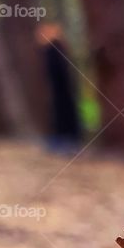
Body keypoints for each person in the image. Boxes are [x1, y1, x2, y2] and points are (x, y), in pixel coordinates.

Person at [35, 22, 82, 153]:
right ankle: (63, 140)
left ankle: (66, 141)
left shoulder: (54, 49)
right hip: (59, 92)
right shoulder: (53, 49)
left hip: (61, 92)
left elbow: (58, 72)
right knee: (59, 113)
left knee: (63, 113)